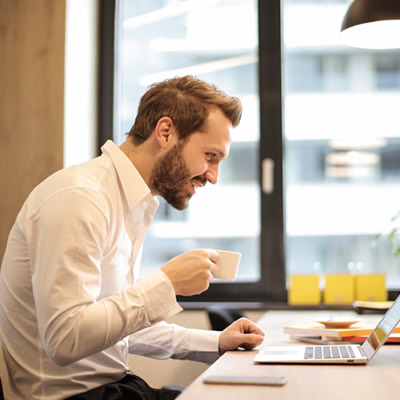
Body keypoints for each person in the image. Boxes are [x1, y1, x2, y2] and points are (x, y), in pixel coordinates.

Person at [0, 76, 265, 400]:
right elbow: (65, 339)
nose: (213, 176)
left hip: (114, 388)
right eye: (210, 156)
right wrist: (165, 284)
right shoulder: (80, 199)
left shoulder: (132, 202)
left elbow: (115, 328)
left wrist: (215, 342)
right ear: (165, 132)